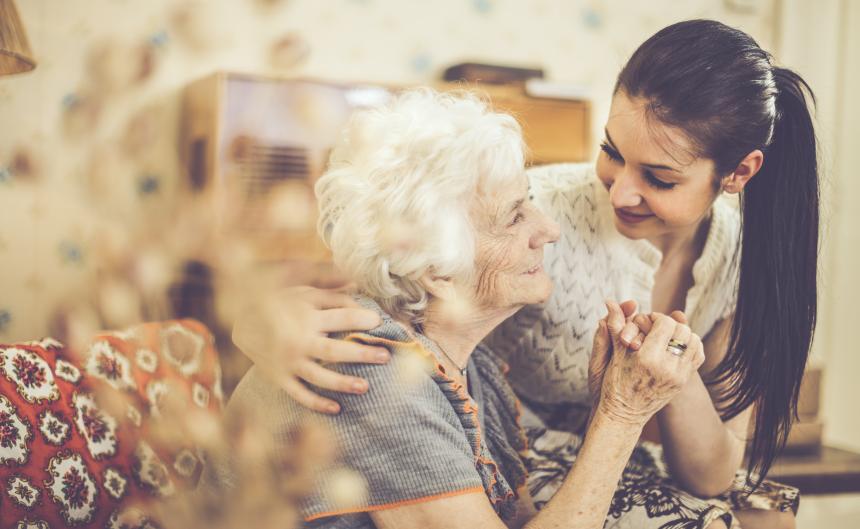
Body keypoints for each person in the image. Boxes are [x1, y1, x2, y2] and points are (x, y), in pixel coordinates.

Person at [235, 19, 813, 529]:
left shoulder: (477, 372)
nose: (549, 226)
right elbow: (384, 270)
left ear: (738, 174)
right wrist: (256, 323)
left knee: (768, 516)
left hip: (546, 454)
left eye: (660, 178)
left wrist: (663, 378)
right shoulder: (386, 369)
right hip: (540, 454)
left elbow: (713, 469)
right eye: (611, 152)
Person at [204, 88, 704, 529]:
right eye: (514, 217)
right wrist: (621, 413)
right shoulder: (376, 375)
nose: (548, 230)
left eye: (529, 201)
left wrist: (610, 405)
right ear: (437, 271)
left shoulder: (468, 365)